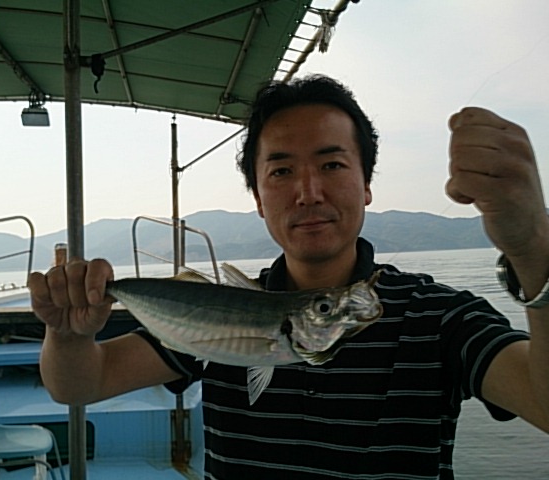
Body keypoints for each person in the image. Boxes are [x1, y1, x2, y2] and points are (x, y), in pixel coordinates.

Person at [28, 75, 549, 479]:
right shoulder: (217, 311)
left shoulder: (440, 316)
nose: (308, 193)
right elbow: (81, 384)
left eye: (331, 165)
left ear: (366, 183)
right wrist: (67, 334)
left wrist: (533, 251)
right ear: (258, 198)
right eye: (280, 171)